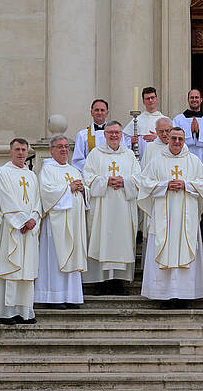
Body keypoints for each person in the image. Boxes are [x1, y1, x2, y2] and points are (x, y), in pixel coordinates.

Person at [138, 127, 203, 308]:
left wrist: (185, 184)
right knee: (164, 248)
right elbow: (145, 183)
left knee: (184, 249)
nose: (177, 142)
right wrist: (165, 185)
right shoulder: (157, 160)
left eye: (180, 139)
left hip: (187, 219)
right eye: (174, 138)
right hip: (164, 217)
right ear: (167, 139)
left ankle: (185, 295)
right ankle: (165, 295)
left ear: (184, 140)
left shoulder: (193, 160)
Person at [82, 121, 140, 296]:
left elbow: (139, 179)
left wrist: (125, 181)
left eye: (117, 132)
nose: (114, 136)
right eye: (110, 133)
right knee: (102, 241)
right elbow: (87, 178)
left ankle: (118, 283)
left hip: (123, 206)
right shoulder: (95, 154)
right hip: (103, 208)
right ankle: (100, 282)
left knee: (121, 244)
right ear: (105, 135)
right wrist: (106, 181)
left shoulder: (129, 155)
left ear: (121, 135)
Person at [0, 138, 41, 325]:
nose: (21, 153)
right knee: (11, 269)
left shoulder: (32, 175)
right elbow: (5, 199)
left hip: (28, 231)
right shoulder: (3, 173)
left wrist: (34, 219)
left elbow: (38, 201)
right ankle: (7, 312)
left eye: (24, 150)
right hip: (12, 229)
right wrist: (22, 221)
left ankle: (25, 311)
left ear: (28, 153)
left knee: (26, 270)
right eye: (17, 149)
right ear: (10, 152)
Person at [35, 135, 87, 309]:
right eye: (59, 147)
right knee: (55, 259)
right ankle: (54, 297)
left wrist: (82, 190)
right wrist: (68, 189)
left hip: (74, 223)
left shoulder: (74, 170)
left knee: (72, 258)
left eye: (66, 147)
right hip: (56, 225)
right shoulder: (47, 170)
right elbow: (46, 194)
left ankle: (71, 297)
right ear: (51, 150)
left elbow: (84, 194)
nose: (64, 150)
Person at [172, 89, 203, 178]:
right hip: (185, 157)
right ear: (188, 100)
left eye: (196, 97)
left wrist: (199, 133)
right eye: (192, 97)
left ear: (201, 99)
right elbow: (173, 139)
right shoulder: (178, 119)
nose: (194, 100)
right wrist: (190, 133)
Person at [72, 99, 131, 172]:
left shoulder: (117, 134)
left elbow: (123, 153)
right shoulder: (83, 135)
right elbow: (77, 160)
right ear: (91, 113)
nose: (99, 113)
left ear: (107, 113)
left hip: (115, 172)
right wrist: (96, 167)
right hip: (93, 174)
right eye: (96, 110)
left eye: (102, 110)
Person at [124, 87, 167, 163]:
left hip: (159, 159)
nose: (150, 100)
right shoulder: (137, 120)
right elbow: (124, 139)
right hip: (141, 159)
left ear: (156, 99)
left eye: (152, 98)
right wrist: (131, 141)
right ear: (143, 102)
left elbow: (171, 138)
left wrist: (158, 137)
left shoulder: (165, 120)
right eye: (147, 98)